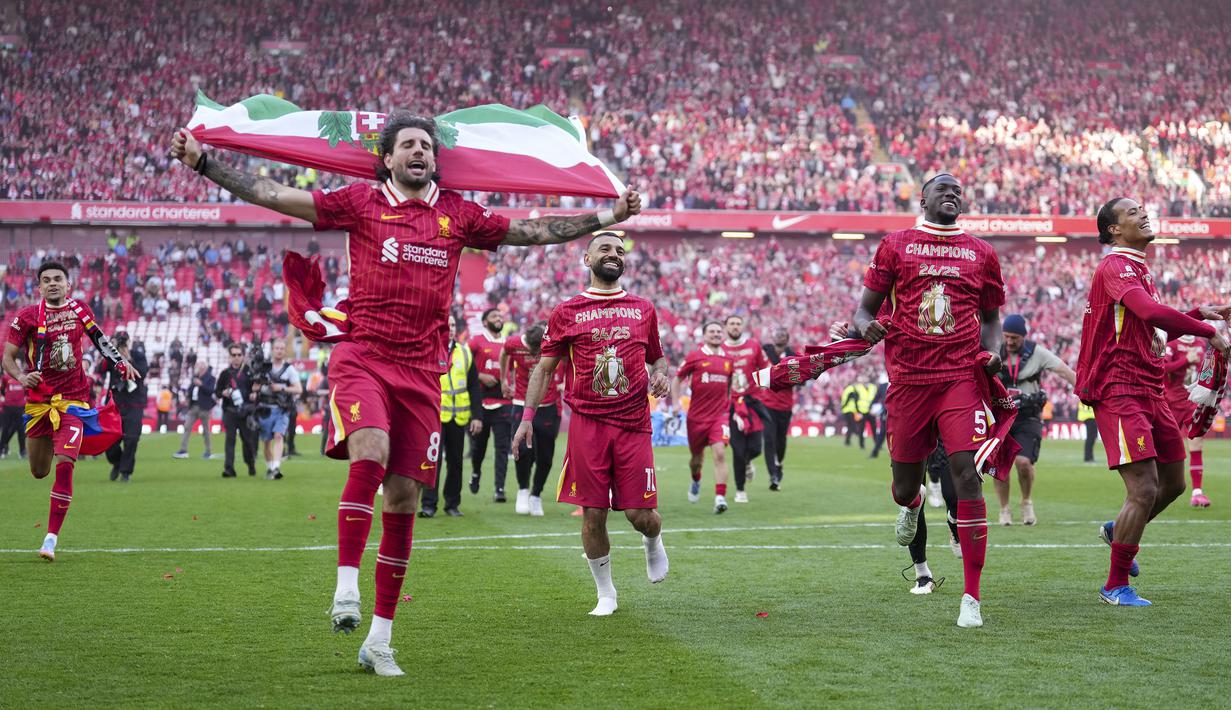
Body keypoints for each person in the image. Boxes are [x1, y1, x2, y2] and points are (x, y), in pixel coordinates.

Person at [172, 114, 640, 675]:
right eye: (408, 144)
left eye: (426, 145)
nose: (420, 151)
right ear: (387, 158)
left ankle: (380, 641)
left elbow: (533, 231)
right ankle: (347, 586)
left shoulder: (457, 214)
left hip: (422, 374)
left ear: (435, 160)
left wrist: (607, 216)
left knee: (403, 500)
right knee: (370, 449)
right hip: (364, 356)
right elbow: (275, 194)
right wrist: (205, 163)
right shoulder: (360, 203)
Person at [851, 173, 1006, 628]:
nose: (952, 193)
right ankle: (914, 502)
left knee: (968, 475)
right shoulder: (895, 245)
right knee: (905, 487)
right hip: (909, 380)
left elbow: (991, 318)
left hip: (960, 378)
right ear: (923, 199)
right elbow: (863, 310)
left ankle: (972, 598)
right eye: (943, 189)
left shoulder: (982, 252)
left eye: (958, 190)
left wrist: (993, 351)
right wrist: (865, 326)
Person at [1076, 197, 1230, 607]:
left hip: (1150, 388)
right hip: (1119, 388)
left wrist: (1200, 313)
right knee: (1143, 488)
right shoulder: (1115, 265)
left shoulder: (1139, 269)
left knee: (1174, 483)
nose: (1142, 214)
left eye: (1142, 209)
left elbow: (1154, 330)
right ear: (1113, 229)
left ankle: (1118, 530)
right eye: (1131, 212)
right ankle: (1115, 584)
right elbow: (1148, 311)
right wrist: (1206, 330)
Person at [513, 232, 669, 616]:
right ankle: (606, 594)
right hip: (587, 425)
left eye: (620, 251)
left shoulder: (643, 308)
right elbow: (543, 370)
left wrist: (662, 375)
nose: (614, 254)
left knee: (641, 517)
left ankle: (653, 541)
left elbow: (658, 358)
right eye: (605, 249)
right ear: (587, 259)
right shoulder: (566, 311)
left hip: (633, 424)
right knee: (593, 513)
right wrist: (527, 418)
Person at [2, 261, 137, 562]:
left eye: (58, 279)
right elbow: (7, 358)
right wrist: (22, 377)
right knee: (39, 471)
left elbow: (100, 339)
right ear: (39, 287)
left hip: (74, 402)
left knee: (65, 465)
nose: (52, 283)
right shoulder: (26, 316)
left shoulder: (80, 310)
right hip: (40, 403)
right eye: (46, 280)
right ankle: (55, 442)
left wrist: (120, 362)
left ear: (68, 285)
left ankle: (50, 539)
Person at [994, 314, 1077, 526]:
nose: (1009, 342)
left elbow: (1064, 371)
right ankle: (1004, 509)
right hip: (1000, 416)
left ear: (1024, 336)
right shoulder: (995, 350)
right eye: (1006, 336)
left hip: (1027, 416)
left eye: (1014, 338)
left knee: (1023, 463)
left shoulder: (1037, 352)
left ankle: (1026, 501)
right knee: (1000, 467)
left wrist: (1087, 391)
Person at [420, 316, 482, 518]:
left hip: (459, 417)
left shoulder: (465, 352)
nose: (451, 328)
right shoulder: (428, 350)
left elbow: (474, 386)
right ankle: (428, 505)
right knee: (432, 461)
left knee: (456, 462)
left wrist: (477, 416)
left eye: (454, 325)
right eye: (448, 325)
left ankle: (452, 504)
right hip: (434, 416)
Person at [501, 322, 563, 516]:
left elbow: (568, 360)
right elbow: (503, 353)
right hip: (521, 401)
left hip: (547, 405)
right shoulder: (513, 343)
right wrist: (504, 379)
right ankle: (523, 490)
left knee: (545, 456)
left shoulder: (551, 343)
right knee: (522, 449)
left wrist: (566, 383)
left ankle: (536, 495)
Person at [672, 321, 733, 512]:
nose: (716, 334)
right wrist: (676, 403)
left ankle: (720, 498)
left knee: (720, 453)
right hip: (696, 418)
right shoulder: (695, 356)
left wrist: (728, 406)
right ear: (704, 335)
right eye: (712, 331)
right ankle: (696, 479)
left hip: (719, 416)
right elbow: (677, 379)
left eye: (719, 331)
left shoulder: (729, 359)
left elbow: (730, 385)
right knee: (696, 460)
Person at [722, 315, 769, 502]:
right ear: (726, 327)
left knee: (756, 448)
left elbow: (766, 368)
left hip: (753, 402)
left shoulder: (754, 346)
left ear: (742, 327)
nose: (735, 326)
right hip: (731, 405)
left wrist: (766, 390)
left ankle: (749, 461)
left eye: (738, 323)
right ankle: (740, 490)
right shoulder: (720, 348)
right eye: (732, 324)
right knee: (738, 449)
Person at [905, 444, 962, 594]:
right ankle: (922, 575)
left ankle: (954, 524)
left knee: (953, 496)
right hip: (914, 435)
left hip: (943, 434)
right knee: (912, 500)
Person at [469, 308, 512, 502]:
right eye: (494, 316)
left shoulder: (508, 343)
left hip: (503, 401)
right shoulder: (476, 341)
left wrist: (510, 384)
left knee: (502, 447)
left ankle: (499, 489)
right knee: (479, 446)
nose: (499, 319)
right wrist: (480, 376)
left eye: (500, 316)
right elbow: (464, 364)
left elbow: (515, 369)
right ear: (485, 322)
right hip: (481, 402)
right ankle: (476, 472)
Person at [1162, 335, 1211, 507]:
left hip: (1193, 401)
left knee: (1197, 443)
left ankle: (1197, 492)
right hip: (1172, 402)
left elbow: (1203, 370)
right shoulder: (1172, 343)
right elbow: (1163, 367)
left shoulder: (1200, 343)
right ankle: (1156, 484)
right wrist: (1186, 360)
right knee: (1165, 446)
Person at [104, 332, 149, 482]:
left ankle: (125, 472)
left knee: (132, 438)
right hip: (115, 404)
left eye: (124, 342)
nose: (123, 345)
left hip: (134, 404)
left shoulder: (138, 355)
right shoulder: (111, 356)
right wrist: (110, 349)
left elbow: (143, 373)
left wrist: (129, 359)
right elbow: (100, 368)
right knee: (109, 440)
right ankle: (117, 463)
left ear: (129, 342)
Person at [254, 339, 301, 480]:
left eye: (282, 348)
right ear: (272, 350)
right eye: (277, 348)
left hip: (282, 408)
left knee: (279, 436)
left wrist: (281, 388)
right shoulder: (263, 367)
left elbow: (298, 389)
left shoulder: (289, 369)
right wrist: (262, 388)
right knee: (266, 441)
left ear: (285, 351)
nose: (279, 351)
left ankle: (276, 467)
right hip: (265, 408)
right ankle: (270, 468)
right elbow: (254, 387)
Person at [759, 326, 797, 489]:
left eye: (783, 334)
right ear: (772, 337)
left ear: (787, 339)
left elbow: (801, 379)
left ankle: (779, 463)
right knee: (768, 439)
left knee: (781, 440)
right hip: (767, 404)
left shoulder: (793, 357)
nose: (780, 336)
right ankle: (773, 474)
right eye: (777, 334)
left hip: (785, 406)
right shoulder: (763, 353)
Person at [215, 343, 257, 477]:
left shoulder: (250, 372)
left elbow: (256, 389)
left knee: (247, 442)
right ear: (229, 356)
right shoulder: (225, 374)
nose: (236, 357)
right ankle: (229, 469)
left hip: (246, 412)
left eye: (239, 355)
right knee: (230, 440)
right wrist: (223, 393)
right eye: (234, 355)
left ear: (243, 356)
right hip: (230, 411)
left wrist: (254, 394)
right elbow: (217, 392)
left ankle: (250, 463)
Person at [174, 361, 216, 459]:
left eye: (200, 365)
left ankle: (208, 451)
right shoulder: (195, 377)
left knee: (205, 430)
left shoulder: (211, 378)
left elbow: (210, 391)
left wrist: (201, 384)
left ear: (204, 367)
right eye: (198, 365)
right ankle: (183, 450)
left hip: (204, 407)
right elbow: (190, 389)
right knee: (187, 427)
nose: (198, 367)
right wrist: (187, 396)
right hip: (193, 406)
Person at [0, 370, 26, 459]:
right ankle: (2, 449)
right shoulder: (6, 377)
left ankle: (22, 451)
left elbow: (26, 390)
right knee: (5, 429)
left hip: (20, 407)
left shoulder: (23, 377)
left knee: (21, 429)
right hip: (8, 406)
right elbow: (2, 389)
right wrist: (7, 398)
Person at [840, 381, 863, 448]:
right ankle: (848, 440)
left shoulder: (846, 389)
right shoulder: (851, 389)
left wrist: (843, 406)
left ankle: (848, 440)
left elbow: (846, 398)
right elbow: (851, 398)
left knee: (850, 426)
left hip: (847, 410)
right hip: (850, 410)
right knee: (851, 426)